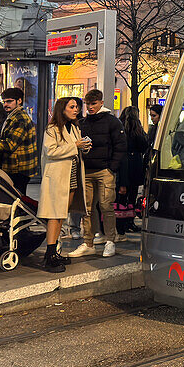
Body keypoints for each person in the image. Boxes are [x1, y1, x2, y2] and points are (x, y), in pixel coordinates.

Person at [67, 89, 125, 258]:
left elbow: (120, 145)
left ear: (101, 102)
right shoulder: (82, 122)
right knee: (87, 209)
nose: (90, 107)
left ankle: (110, 241)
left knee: (106, 206)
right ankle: (88, 242)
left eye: (93, 104)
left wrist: (111, 167)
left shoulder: (112, 122)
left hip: (104, 170)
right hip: (87, 170)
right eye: (87, 104)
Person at [38, 98, 89, 273]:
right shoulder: (52, 129)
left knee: (61, 215)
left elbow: (74, 148)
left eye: (77, 107)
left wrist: (83, 146)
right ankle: (50, 252)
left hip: (71, 177)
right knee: (54, 215)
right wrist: (75, 145)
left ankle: (53, 252)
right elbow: (51, 151)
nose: (76, 110)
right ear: (63, 109)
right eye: (72, 107)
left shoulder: (74, 127)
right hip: (57, 177)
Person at [0, 88, 38, 198]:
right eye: (4, 101)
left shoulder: (20, 119)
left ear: (19, 101)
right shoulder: (13, 116)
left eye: (9, 101)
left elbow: (10, 145)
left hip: (18, 168)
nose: (5, 105)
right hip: (16, 167)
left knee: (17, 198)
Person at [118, 106, 149, 218]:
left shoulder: (119, 129)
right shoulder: (137, 130)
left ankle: (120, 219)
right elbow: (144, 146)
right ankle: (130, 219)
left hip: (122, 163)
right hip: (135, 163)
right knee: (133, 193)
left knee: (121, 194)